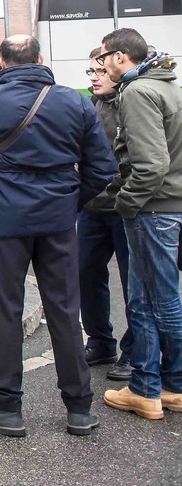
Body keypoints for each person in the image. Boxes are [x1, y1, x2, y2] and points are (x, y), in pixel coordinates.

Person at [0, 35, 115, 438]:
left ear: (1, 62)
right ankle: (79, 408)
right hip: (58, 219)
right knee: (64, 308)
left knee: (6, 309)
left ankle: (6, 407)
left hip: (5, 218)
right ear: (41, 59)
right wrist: (72, 202)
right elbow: (103, 169)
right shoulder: (73, 101)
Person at [96, 28, 182, 421]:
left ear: (119, 57)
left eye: (104, 57)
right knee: (153, 298)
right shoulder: (168, 85)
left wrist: (126, 204)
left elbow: (150, 164)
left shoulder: (136, 92)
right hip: (168, 206)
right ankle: (158, 388)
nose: (101, 65)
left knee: (154, 301)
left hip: (152, 209)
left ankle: (161, 387)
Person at [78, 45, 134, 383]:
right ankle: (100, 342)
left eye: (100, 71)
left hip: (125, 208)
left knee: (133, 285)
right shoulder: (88, 105)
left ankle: (134, 351)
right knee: (86, 274)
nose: (95, 78)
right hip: (92, 207)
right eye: (91, 73)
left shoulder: (132, 103)